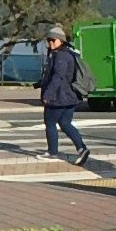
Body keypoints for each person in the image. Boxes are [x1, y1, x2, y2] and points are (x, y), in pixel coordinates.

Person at [38, 24, 90, 165]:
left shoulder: (61, 56)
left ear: (61, 40)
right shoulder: (68, 54)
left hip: (59, 97)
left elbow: (58, 77)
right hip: (70, 97)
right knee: (65, 123)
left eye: (53, 40)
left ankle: (52, 152)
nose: (50, 43)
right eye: (48, 40)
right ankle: (82, 149)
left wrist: (48, 94)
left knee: (50, 123)